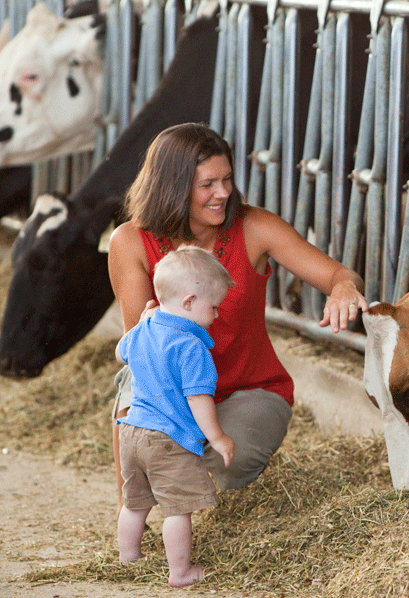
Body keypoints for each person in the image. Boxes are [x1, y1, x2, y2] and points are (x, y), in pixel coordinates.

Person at [108, 122, 368, 507]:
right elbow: (146, 351)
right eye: (208, 184)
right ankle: (134, 512)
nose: (224, 193)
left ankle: (208, 493)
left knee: (229, 462)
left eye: (227, 179)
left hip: (249, 388)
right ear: (173, 187)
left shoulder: (255, 226)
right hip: (171, 380)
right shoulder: (130, 241)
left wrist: (344, 288)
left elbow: (338, 274)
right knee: (134, 407)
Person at [115, 245, 236, 587]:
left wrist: (139, 324)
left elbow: (120, 353)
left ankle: (128, 557)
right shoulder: (190, 347)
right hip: (169, 440)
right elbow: (198, 398)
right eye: (213, 307)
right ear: (188, 302)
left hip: (132, 430)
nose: (215, 314)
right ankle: (180, 572)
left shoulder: (145, 328)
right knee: (177, 509)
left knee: (134, 502)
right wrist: (217, 437)